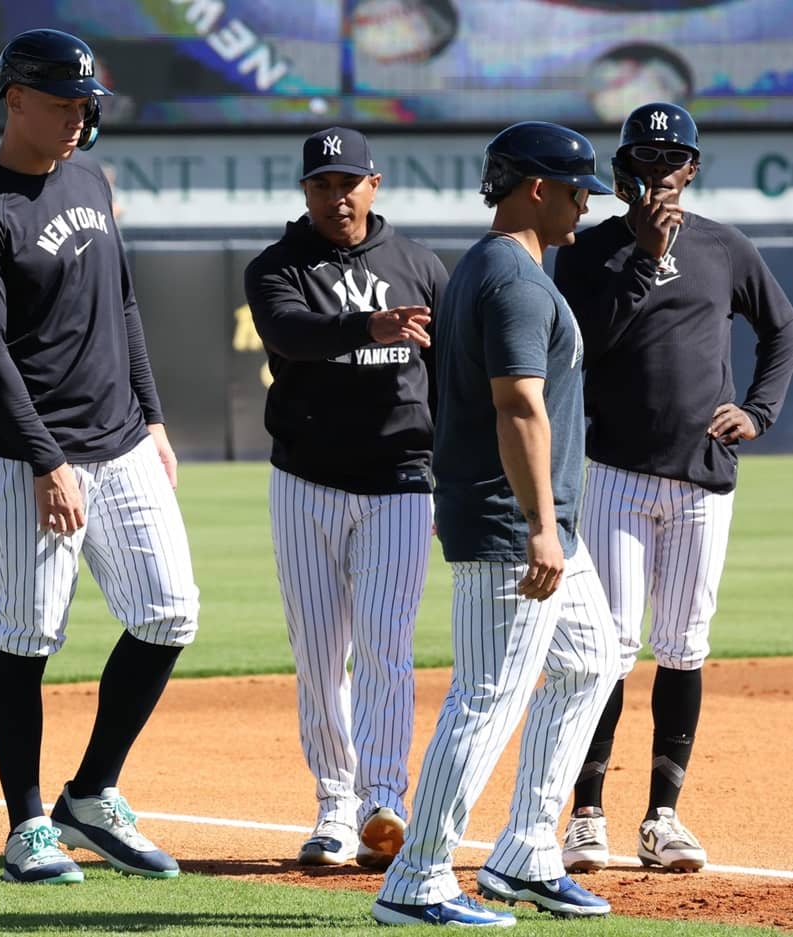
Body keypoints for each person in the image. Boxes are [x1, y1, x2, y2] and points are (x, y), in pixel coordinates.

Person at [0, 27, 199, 885]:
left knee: (169, 611)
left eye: (86, 105)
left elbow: (120, 303)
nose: (78, 119)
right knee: (28, 630)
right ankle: (24, 825)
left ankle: (88, 795)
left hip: (121, 440)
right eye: (61, 104)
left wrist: (153, 416)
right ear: (13, 99)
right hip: (23, 457)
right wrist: (47, 463)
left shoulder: (87, 175)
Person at [371, 121, 620, 927]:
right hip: (519, 527)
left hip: (537, 524)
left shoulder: (495, 268)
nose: (586, 202)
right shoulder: (511, 279)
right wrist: (539, 524)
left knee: (592, 660)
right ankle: (417, 878)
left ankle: (525, 854)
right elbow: (518, 406)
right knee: (486, 696)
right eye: (577, 187)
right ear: (535, 188)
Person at [553, 102, 793, 874]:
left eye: (670, 159)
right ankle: (585, 814)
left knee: (684, 646)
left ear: (691, 168)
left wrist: (758, 410)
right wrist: (649, 259)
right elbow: (587, 348)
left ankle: (662, 816)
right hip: (617, 471)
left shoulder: (723, 246)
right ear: (623, 168)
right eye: (644, 159)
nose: (657, 171)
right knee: (608, 648)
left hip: (702, 477)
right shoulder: (587, 251)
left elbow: (780, 328)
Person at [244, 127, 445, 869]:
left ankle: (381, 799)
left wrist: (451, 471)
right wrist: (368, 324)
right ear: (304, 191)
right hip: (306, 481)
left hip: (400, 480)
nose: (336, 196)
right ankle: (332, 804)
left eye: (347, 182)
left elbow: (452, 371)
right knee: (320, 653)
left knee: (386, 648)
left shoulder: (418, 264)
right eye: (321, 184)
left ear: (374, 183)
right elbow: (289, 332)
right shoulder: (276, 266)